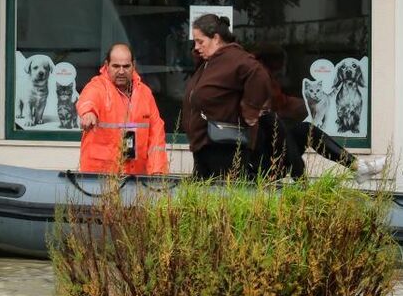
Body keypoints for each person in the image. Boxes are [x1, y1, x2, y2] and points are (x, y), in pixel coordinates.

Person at [181, 14, 298, 180]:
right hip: (205, 145)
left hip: (224, 147)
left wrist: (250, 109)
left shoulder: (236, 59)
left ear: (216, 38)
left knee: (222, 199)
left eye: (200, 41)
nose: (196, 47)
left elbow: (260, 75)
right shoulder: (211, 61)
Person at [253, 44, 386, 181]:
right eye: (279, 67)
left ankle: (357, 167)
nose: (281, 73)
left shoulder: (265, 77)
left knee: (305, 129)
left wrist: (306, 104)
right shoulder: (257, 77)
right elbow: (279, 107)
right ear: (272, 63)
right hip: (260, 163)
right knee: (275, 124)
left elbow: (282, 103)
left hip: (274, 154)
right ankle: (301, 182)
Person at [76, 43, 168, 175]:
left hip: (136, 177)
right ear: (107, 65)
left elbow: (156, 136)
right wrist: (88, 113)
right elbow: (88, 99)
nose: (121, 71)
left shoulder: (145, 93)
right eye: (116, 66)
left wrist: (157, 172)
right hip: (99, 180)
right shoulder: (98, 86)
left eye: (126, 66)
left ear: (133, 66)